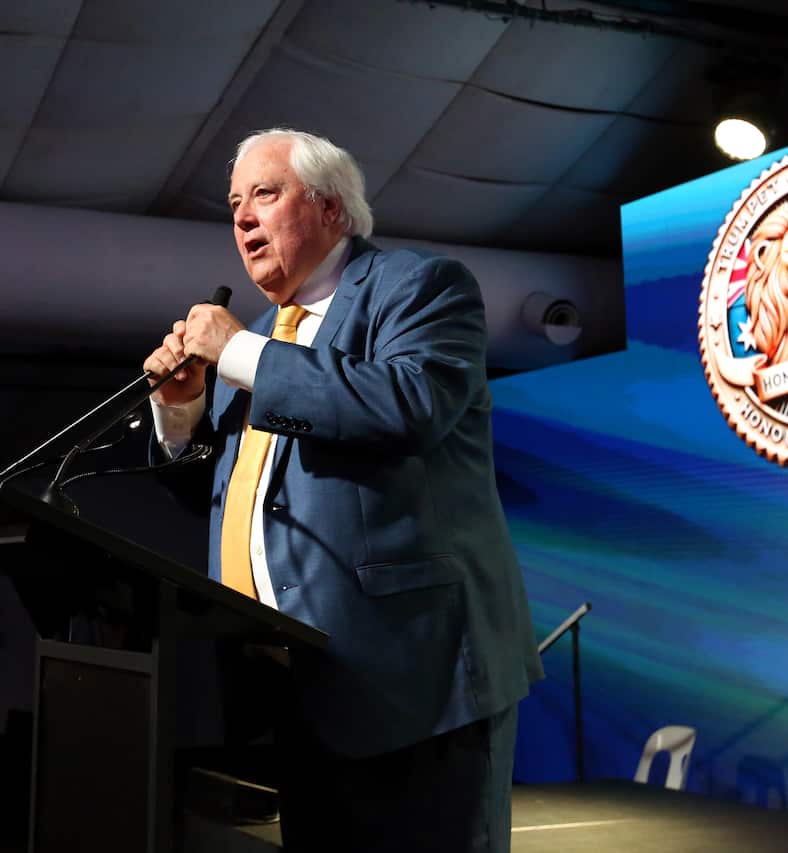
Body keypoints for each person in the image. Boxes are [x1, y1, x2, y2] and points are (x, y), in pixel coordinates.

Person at [143, 128, 543, 853]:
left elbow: (408, 404)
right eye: (234, 202)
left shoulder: (419, 288)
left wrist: (236, 352)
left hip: (417, 686)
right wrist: (181, 408)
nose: (241, 217)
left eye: (264, 193)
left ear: (332, 209)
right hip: (300, 692)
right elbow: (223, 495)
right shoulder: (263, 338)